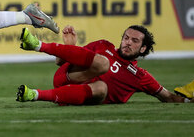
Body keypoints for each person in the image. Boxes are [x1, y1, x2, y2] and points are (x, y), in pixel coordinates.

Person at [16, 25, 191, 105]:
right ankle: (38, 45)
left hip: (84, 95)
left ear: (143, 48)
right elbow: (59, 62)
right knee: (103, 63)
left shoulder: (140, 76)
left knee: (101, 87)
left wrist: (188, 100)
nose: (127, 43)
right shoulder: (103, 45)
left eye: (134, 41)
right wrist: (70, 47)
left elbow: (167, 97)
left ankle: (33, 95)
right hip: (67, 76)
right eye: (126, 38)